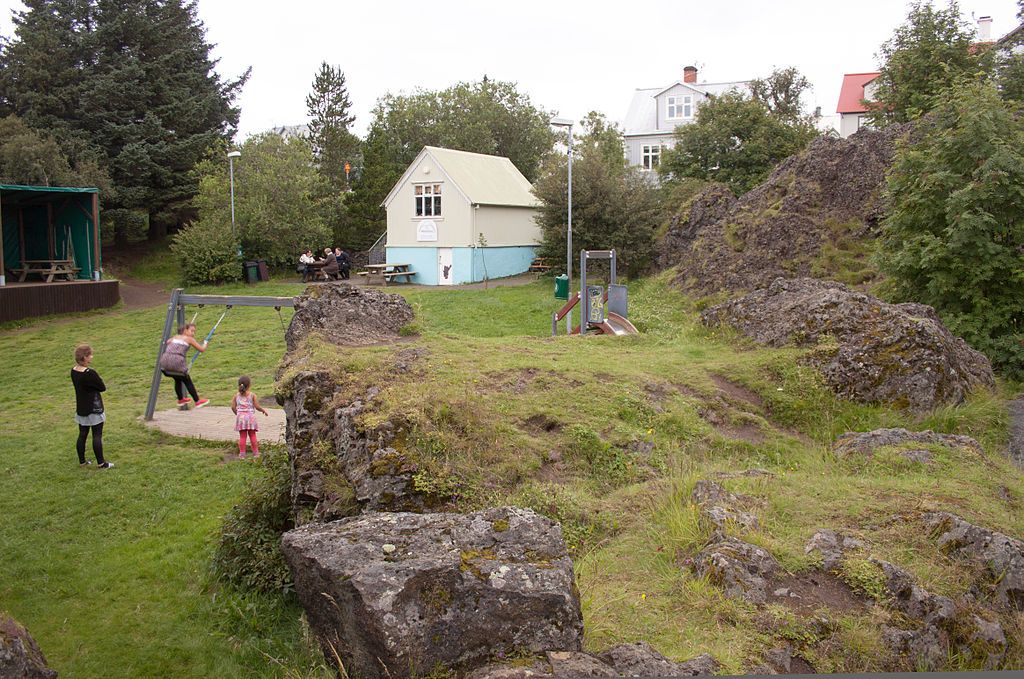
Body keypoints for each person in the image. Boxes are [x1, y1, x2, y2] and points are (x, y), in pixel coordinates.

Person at [70, 344, 113, 468]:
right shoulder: (90, 373)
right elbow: (102, 387)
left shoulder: (74, 371)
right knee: (97, 435)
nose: (92, 357)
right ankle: (101, 463)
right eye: (90, 355)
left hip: (81, 407)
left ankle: (82, 461)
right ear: (84, 357)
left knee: (82, 434)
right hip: (94, 407)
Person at [158, 323, 210, 409]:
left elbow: (168, 342)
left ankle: (180, 399)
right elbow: (201, 349)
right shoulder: (189, 339)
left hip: (164, 362)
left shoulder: (175, 337)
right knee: (187, 379)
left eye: (194, 331)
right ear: (185, 330)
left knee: (177, 378)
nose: (193, 333)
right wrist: (205, 344)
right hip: (177, 362)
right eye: (191, 331)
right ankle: (197, 401)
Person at [231, 375, 268, 459]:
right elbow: (257, 406)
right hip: (250, 418)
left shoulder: (236, 396)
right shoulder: (252, 395)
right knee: (252, 435)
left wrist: (238, 414)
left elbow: (233, 407)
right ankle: (256, 453)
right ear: (249, 385)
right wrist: (263, 410)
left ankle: (242, 455)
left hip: (241, 418)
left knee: (242, 437)